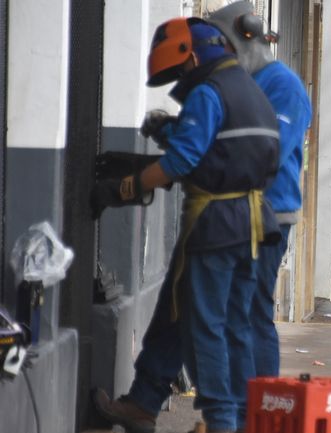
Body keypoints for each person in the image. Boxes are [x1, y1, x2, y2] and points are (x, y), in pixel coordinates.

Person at [91, 17, 281, 433]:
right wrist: (171, 132)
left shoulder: (209, 92)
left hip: (216, 224)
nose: (181, 79)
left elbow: (181, 162)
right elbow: (225, 149)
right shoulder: (250, 89)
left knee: (207, 325)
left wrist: (125, 187)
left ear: (192, 57)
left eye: (179, 71)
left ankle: (222, 422)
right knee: (183, 313)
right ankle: (144, 402)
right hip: (252, 222)